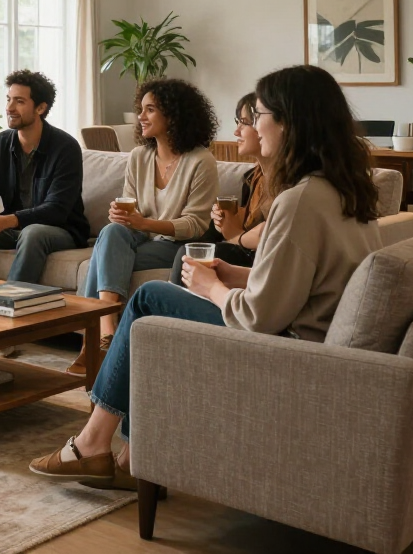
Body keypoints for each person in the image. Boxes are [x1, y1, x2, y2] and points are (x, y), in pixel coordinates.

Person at [30, 65, 381, 489]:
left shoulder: (299, 201)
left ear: (290, 122)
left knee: (148, 301)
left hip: (289, 350)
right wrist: (235, 272)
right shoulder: (344, 191)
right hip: (308, 337)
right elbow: (307, 278)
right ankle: (133, 458)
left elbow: (258, 317)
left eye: (259, 115)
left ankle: (93, 445)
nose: (253, 124)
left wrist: (212, 287)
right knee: (141, 288)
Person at [81, 78, 219, 355]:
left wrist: (145, 223)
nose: (141, 117)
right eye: (141, 109)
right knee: (110, 233)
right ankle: (108, 333)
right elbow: (132, 207)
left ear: (173, 114)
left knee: (103, 254)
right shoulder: (138, 157)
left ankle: (92, 340)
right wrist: (121, 216)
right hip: (140, 240)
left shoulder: (201, 160)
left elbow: (196, 224)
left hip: (174, 246)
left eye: (150, 109)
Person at [0, 70, 88, 284]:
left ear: (40, 107)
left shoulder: (65, 147)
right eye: (9, 99)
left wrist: (8, 220)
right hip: (15, 227)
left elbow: (56, 210)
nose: (9, 108)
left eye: (19, 101)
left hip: (61, 230)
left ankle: (8, 301)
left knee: (33, 233)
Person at [168, 92, 272, 285]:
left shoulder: (288, 182)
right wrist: (226, 224)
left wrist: (234, 238)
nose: (236, 132)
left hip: (264, 259)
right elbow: (243, 229)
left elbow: (269, 232)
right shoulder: (252, 178)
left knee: (190, 254)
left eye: (244, 122)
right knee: (195, 246)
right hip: (248, 250)